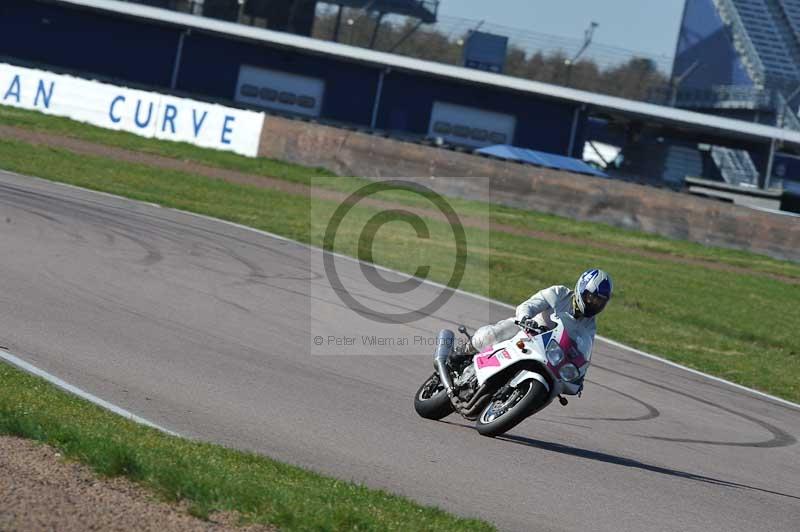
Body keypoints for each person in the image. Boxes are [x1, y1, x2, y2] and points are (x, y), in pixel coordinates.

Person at [451, 269, 613, 364]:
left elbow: (584, 353)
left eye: (600, 302)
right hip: (526, 331)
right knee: (490, 336)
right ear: (582, 290)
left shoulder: (589, 325)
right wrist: (525, 318)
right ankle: (464, 351)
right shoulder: (559, 294)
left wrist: (579, 370)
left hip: (547, 354)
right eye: (592, 298)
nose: (594, 304)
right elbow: (529, 305)